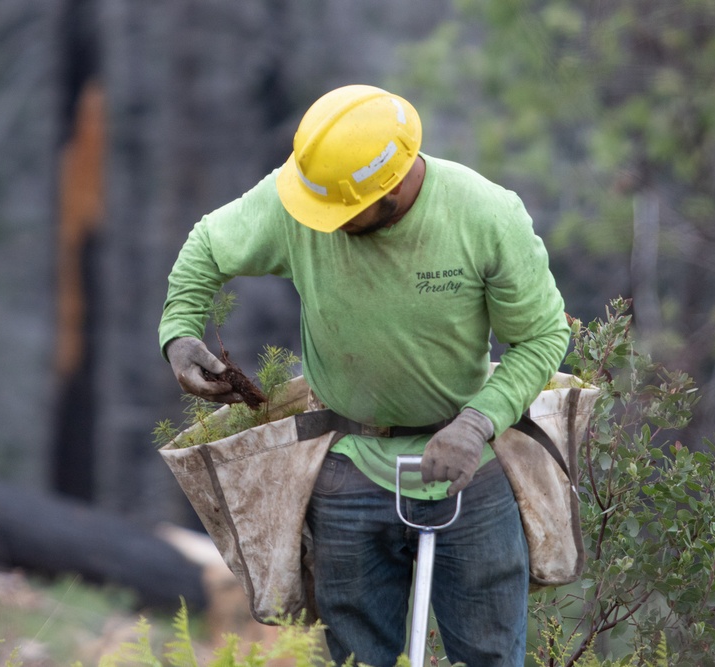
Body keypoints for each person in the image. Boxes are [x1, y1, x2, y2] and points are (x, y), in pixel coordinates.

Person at [158, 84, 569, 666]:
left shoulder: (484, 215)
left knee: (490, 657)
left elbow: (542, 336)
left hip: (470, 473)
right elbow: (207, 244)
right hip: (348, 470)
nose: (325, 225)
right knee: (356, 658)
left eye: (343, 216)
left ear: (392, 188)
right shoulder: (306, 198)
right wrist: (179, 332)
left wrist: (477, 424)